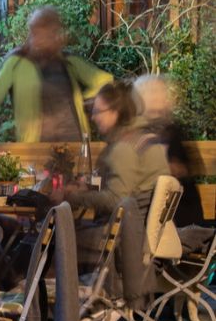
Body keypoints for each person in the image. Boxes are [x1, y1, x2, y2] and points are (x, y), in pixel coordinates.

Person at [0, 6, 112, 145]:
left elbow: (106, 81)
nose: (37, 38)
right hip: (36, 150)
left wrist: (83, 101)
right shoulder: (16, 62)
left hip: (74, 145)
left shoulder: (68, 61)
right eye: (35, 32)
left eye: (45, 33)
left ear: (55, 34)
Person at [64, 81, 169, 217]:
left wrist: (73, 198)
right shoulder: (147, 138)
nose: (93, 117)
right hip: (141, 228)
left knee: (60, 235)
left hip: (125, 232)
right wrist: (87, 190)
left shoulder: (125, 147)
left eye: (98, 112)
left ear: (115, 113)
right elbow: (128, 187)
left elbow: (116, 200)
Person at [133, 74, 204, 227]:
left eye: (160, 91)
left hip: (176, 208)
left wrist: (174, 168)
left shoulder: (175, 130)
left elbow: (192, 169)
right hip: (147, 205)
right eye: (151, 92)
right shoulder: (134, 133)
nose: (157, 96)